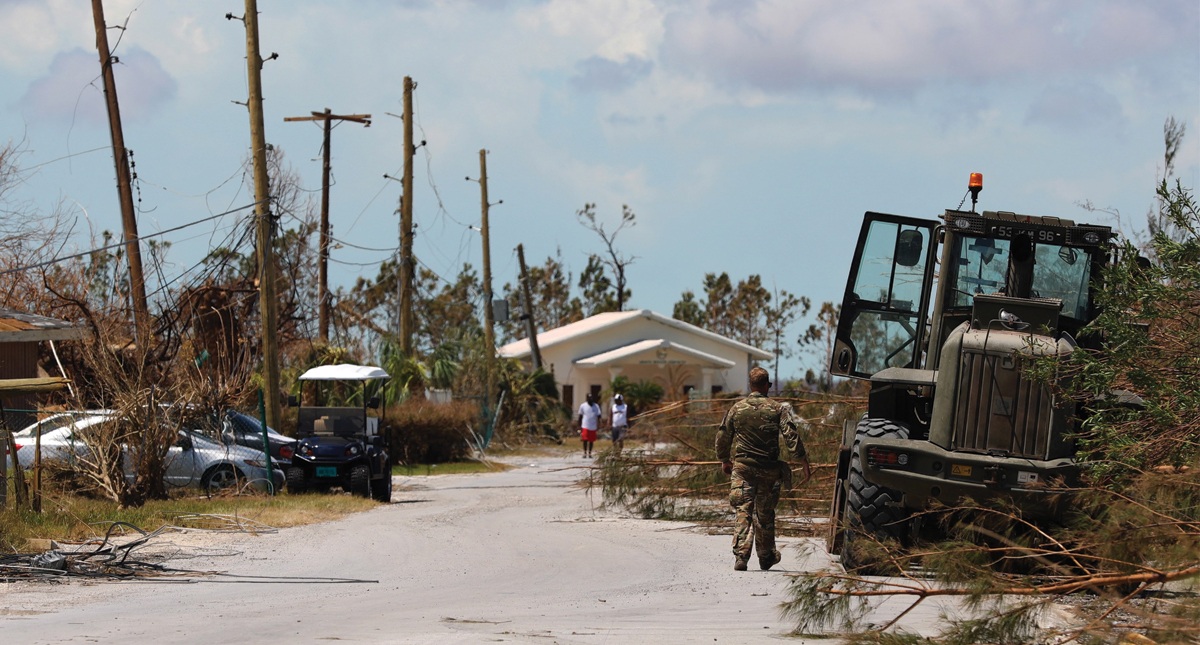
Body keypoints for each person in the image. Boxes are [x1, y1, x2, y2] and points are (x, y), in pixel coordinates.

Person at [715, 366, 811, 571]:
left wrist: (725, 460)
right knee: (765, 514)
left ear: (750, 385)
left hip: (742, 469)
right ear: (768, 385)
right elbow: (791, 436)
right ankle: (766, 556)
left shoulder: (737, 408)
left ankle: (741, 556)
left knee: (743, 510)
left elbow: (723, 436)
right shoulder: (778, 409)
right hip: (768, 469)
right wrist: (803, 461)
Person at [577, 392, 601, 458]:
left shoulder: (596, 406)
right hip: (585, 425)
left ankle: (590, 453)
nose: (591, 399)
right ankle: (585, 453)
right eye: (589, 397)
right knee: (585, 439)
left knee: (591, 440)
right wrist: (579, 425)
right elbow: (580, 416)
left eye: (592, 397)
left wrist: (599, 424)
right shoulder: (583, 406)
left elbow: (599, 416)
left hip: (593, 426)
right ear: (587, 398)